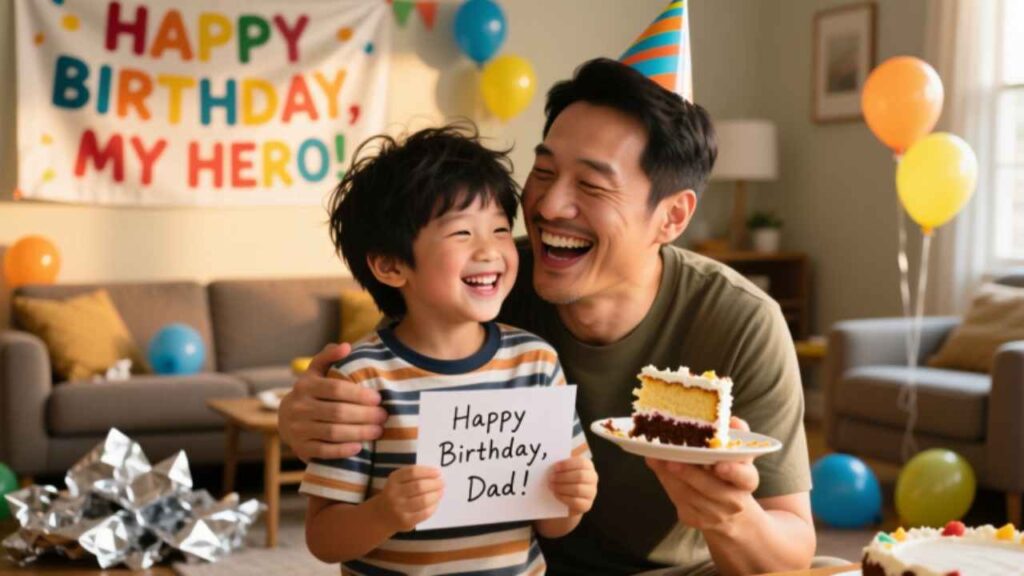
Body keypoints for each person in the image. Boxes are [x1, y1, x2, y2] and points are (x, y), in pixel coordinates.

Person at [284, 58, 815, 575]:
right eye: (543, 171)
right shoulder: (481, 288)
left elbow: (790, 550)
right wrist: (307, 418)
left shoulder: (739, 321)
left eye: (590, 184)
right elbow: (382, 392)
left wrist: (730, 515)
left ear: (671, 216)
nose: (549, 205)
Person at [299, 125, 597, 575]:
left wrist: (573, 498)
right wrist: (384, 514)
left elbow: (553, 525)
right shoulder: (361, 379)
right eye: (462, 233)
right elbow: (323, 539)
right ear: (390, 265)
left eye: (499, 228)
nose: (491, 249)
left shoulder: (536, 362)